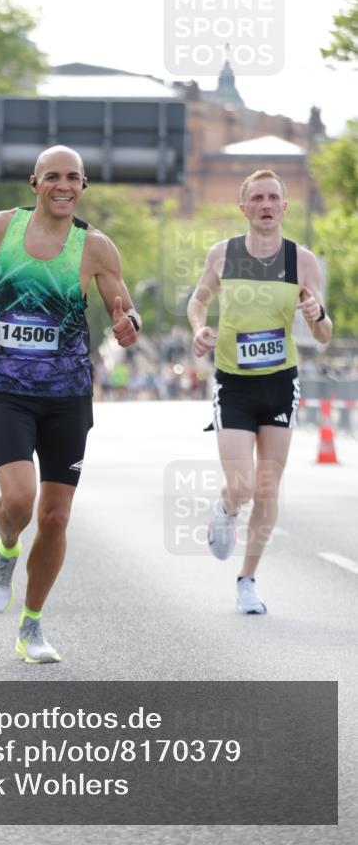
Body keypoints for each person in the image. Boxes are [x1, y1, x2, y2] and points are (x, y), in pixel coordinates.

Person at [0, 145, 141, 663]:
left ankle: (31, 625)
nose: (63, 185)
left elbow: (124, 309)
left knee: (55, 518)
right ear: (34, 182)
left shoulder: (96, 247)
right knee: (18, 500)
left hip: (67, 396)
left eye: (73, 178)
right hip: (7, 387)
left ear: (83, 187)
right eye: (52, 176)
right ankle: (6, 549)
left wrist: (130, 326)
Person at [187, 169, 332, 614]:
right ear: (244, 207)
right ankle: (227, 509)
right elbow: (198, 300)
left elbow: (324, 334)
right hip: (233, 383)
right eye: (258, 198)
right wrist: (199, 329)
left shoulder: (302, 260)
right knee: (244, 484)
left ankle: (247, 580)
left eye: (274, 198)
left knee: (268, 488)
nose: (266, 205)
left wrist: (315, 312)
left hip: (279, 382)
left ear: (285, 207)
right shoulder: (223, 254)